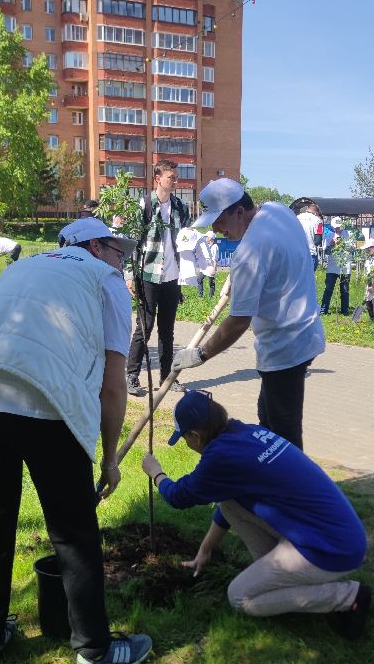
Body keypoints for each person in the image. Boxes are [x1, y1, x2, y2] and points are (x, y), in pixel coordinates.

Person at [0, 217, 152, 664]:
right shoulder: (105, 280)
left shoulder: (22, 267)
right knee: (73, 530)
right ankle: (95, 655)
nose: (122, 261)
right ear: (95, 247)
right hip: (45, 399)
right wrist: (109, 458)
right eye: (118, 251)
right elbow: (114, 384)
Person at [142, 391, 370, 637]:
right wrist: (206, 548)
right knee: (229, 501)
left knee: (240, 596)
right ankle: (286, 577)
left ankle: (348, 597)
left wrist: (156, 473)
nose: (187, 444)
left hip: (332, 549)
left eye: (185, 439)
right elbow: (230, 503)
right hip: (333, 532)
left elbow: (178, 496)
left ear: (195, 435)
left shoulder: (221, 457)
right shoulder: (245, 433)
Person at [172, 178, 325, 450]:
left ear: (239, 211)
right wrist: (241, 281)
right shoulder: (278, 211)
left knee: (283, 436)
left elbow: (238, 322)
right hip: (306, 333)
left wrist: (200, 354)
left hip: (283, 347)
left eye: (219, 221)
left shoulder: (249, 253)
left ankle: (290, 477)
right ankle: (270, 472)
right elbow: (277, 259)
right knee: (267, 417)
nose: (216, 229)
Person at [126, 161, 190, 396]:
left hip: (172, 277)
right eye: (171, 177)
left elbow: (186, 239)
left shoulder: (180, 207)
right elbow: (131, 242)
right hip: (148, 275)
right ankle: (132, 376)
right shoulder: (144, 205)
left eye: (176, 177)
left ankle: (166, 378)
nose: (175, 181)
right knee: (144, 327)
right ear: (157, 178)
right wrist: (130, 275)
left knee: (167, 330)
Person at [321, 217, 353, 316]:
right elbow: (326, 252)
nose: (337, 229)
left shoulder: (349, 234)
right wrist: (331, 245)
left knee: (344, 290)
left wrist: (342, 244)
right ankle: (324, 310)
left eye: (338, 227)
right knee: (328, 289)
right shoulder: (330, 236)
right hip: (332, 266)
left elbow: (352, 249)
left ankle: (345, 311)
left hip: (345, 267)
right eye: (335, 227)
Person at [296, 198, 323, 272]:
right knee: (309, 277)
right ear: (316, 212)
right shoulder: (318, 221)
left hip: (296, 253)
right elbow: (318, 240)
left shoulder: (296, 218)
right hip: (310, 253)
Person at [199, 230, 219, 299]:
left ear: (210, 238)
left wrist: (214, 268)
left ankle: (211, 296)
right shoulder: (206, 245)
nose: (205, 238)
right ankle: (200, 296)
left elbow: (215, 259)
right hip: (204, 266)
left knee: (211, 282)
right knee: (199, 279)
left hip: (211, 267)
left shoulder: (215, 246)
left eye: (206, 237)